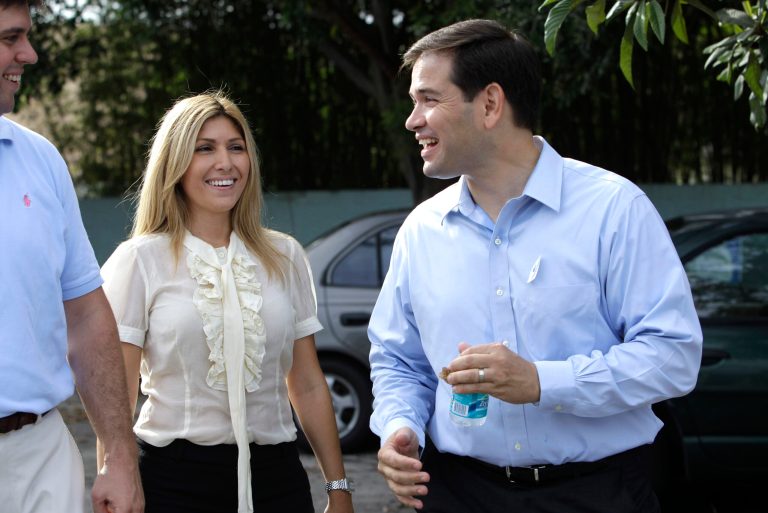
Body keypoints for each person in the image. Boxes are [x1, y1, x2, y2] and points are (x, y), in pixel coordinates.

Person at [368, 19, 703, 513]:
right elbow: (398, 359)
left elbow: (673, 356)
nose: (411, 120)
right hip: (456, 493)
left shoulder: (613, 209)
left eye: (428, 100)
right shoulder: (421, 231)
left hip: (597, 492)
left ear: (489, 104)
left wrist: (543, 382)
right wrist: (400, 427)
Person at [99, 91, 354, 513]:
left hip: (278, 478)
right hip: (171, 480)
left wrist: (338, 486)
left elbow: (307, 382)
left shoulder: (285, 255)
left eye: (236, 147)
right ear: (175, 162)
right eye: (205, 148)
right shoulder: (139, 260)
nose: (226, 162)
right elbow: (117, 394)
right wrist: (115, 480)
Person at [0, 2, 144, 513]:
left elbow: (84, 314)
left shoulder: (42, 160)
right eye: (10, 38)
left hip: (41, 455)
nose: (28, 54)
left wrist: (120, 458)